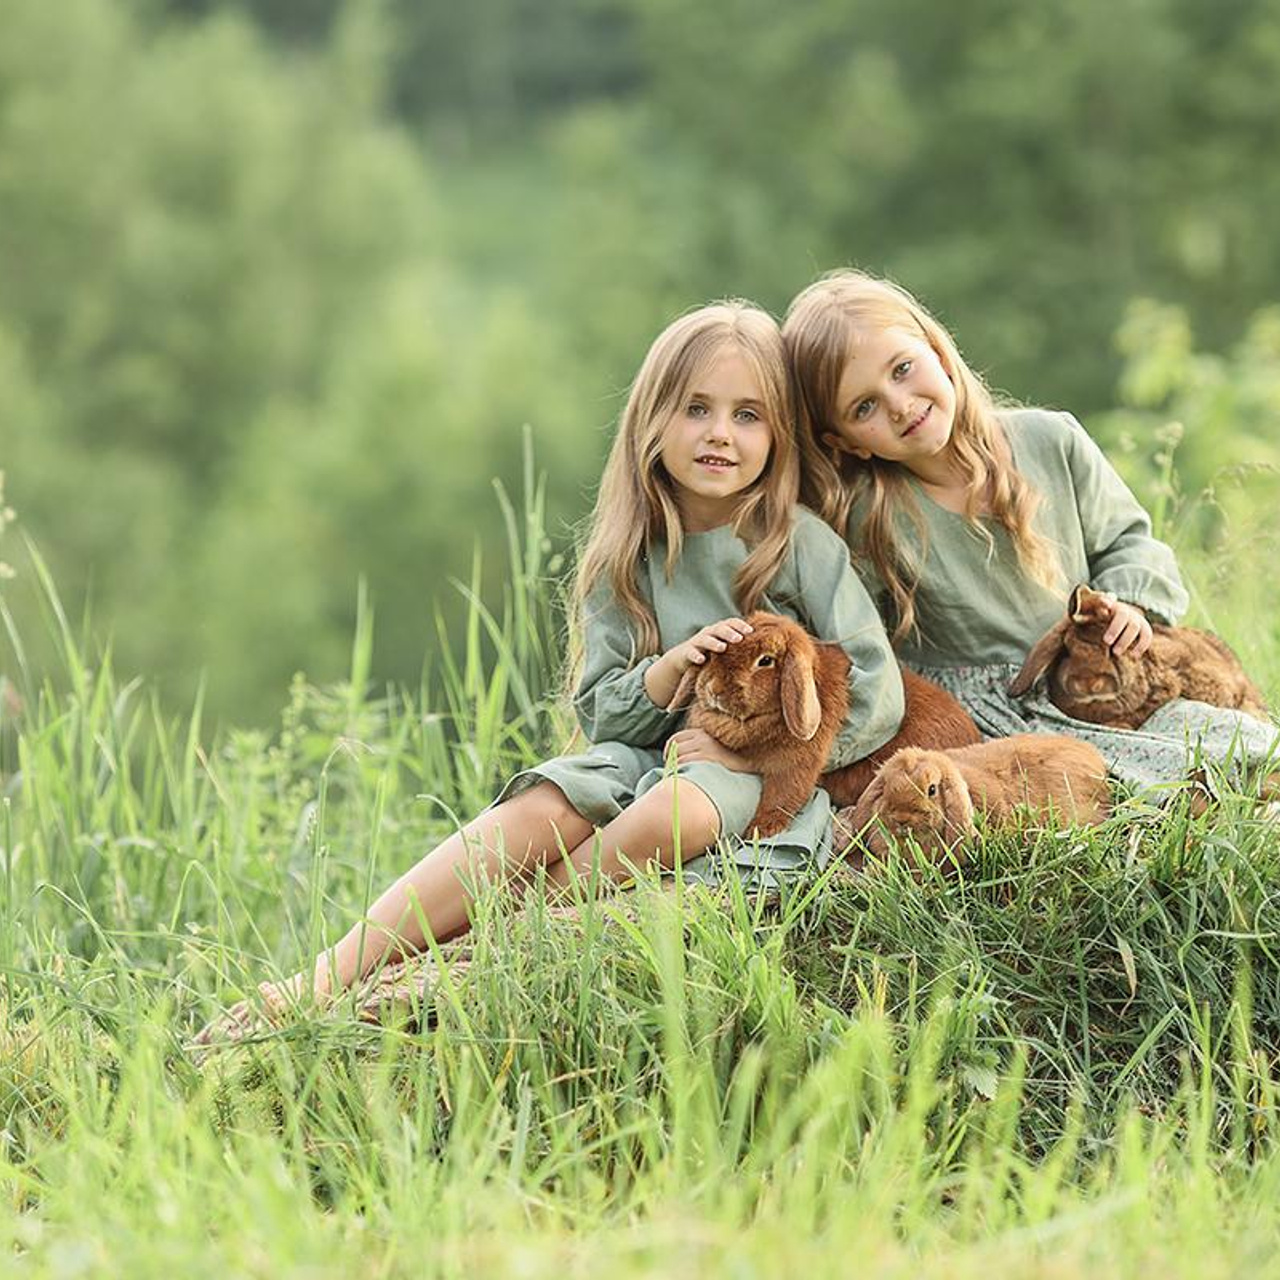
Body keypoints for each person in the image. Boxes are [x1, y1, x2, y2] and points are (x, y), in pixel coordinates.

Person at [197, 299, 903, 1040]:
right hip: (642, 757)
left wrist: (742, 750)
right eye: (697, 408)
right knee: (543, 804)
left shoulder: (800, 545)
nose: (720, 433)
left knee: (682, 810)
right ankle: (326, 973)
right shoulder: (628, 559)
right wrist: (663, 675)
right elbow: (603, 716)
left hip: (750, 781)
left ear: (780, 435)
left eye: (748, 415)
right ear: (653, 420)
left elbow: (874, 692)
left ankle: (485, 941)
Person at [782, 268, 1277, 796]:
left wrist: (1131, 604)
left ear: (938, 353)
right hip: (997, 715)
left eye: (902, 369)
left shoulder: (1050, 441)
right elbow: (853, 637)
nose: (899, 404)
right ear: (848, 441)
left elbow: (1129, 539)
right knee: (1095, 784)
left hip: (1092, 678)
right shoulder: (870, 517)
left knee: (1242, 742)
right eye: (865, 407)